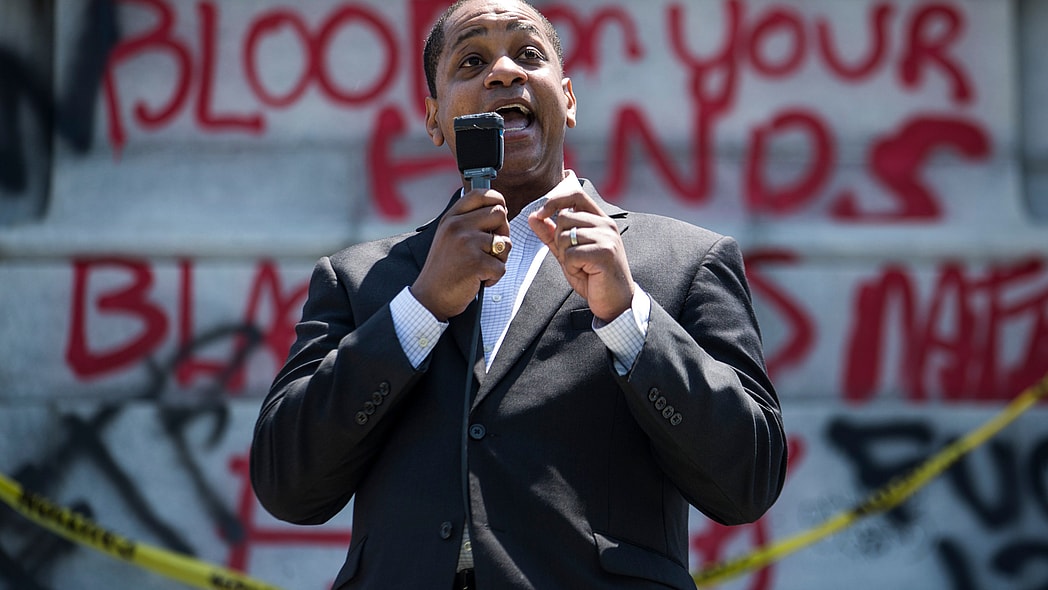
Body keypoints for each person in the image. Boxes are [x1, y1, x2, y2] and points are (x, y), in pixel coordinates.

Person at [250, 0, 787, 588]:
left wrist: (628, 317)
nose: (504, 73)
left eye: (529, 55)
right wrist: (420, 308)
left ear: (570, 99)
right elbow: (287, 484)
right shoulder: (358, 280)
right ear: (435, 121)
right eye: (472, 60)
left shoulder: (682, 263)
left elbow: (748, 483)